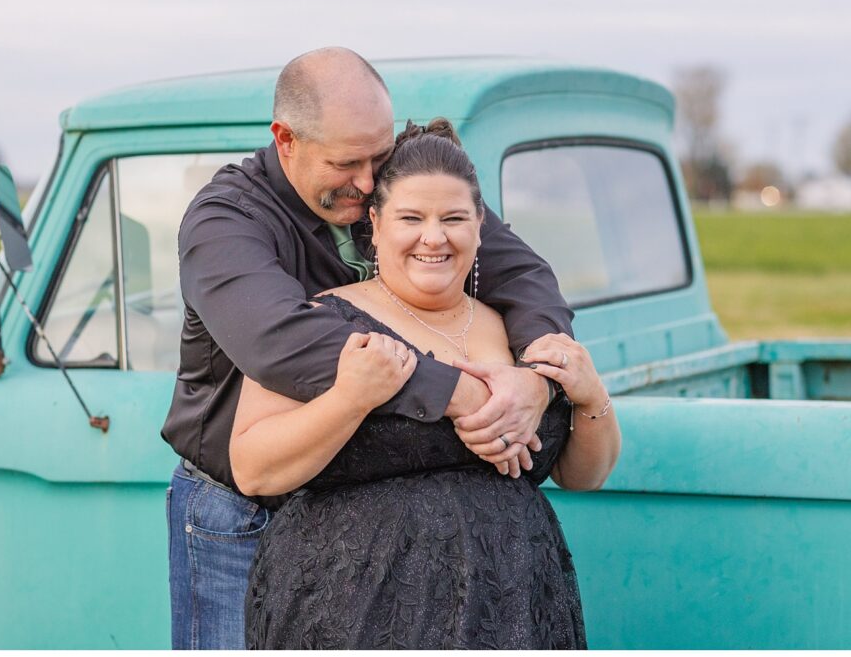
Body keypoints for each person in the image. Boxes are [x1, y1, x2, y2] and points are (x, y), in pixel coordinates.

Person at [163, 48, 575, 649]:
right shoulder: (225, 221)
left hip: (358, 519)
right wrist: (461, 391)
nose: (366, 180)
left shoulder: (399, 188)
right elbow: (282, 341)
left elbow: (524, 277)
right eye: (346, 163)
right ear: (286, 140)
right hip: (242, 508)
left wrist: (538, 378)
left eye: (378, 157)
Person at [233, 119, 620, 649]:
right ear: (376, 222)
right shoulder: (326, 321)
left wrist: (591, 396)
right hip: (358, 609)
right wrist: (351, 398)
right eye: (411, 217)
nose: (433, 237)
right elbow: (253, 469)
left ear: (480, 225)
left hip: (515, 605)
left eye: (454, 218)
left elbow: (584, 477)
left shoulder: (518, 330)